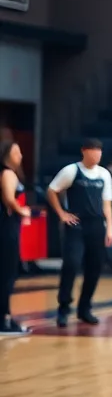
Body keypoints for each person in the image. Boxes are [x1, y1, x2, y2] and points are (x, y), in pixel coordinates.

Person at [46, 138, 112, 326]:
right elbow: (51, 190)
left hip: (96, 226)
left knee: (94, 268)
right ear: (84, 151)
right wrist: (62, 214)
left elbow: (107, 204)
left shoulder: (104, 174)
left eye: (100, 150)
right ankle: (63, 308)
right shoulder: (71, 170)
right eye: (94, 150)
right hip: (76, 225)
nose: (97, 154)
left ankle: (85, 308)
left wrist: (109, 228)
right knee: (71, 265)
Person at [0, 140, 32, 336]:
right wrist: (23, 211)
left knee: (7, 274)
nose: (20, 156)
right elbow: (9, 199)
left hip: (8, 227)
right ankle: (4, 319)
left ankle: (5, 316)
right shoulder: (8, 173)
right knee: (7, 275)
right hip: (7, 228)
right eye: (16, 152)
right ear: (7, 154)